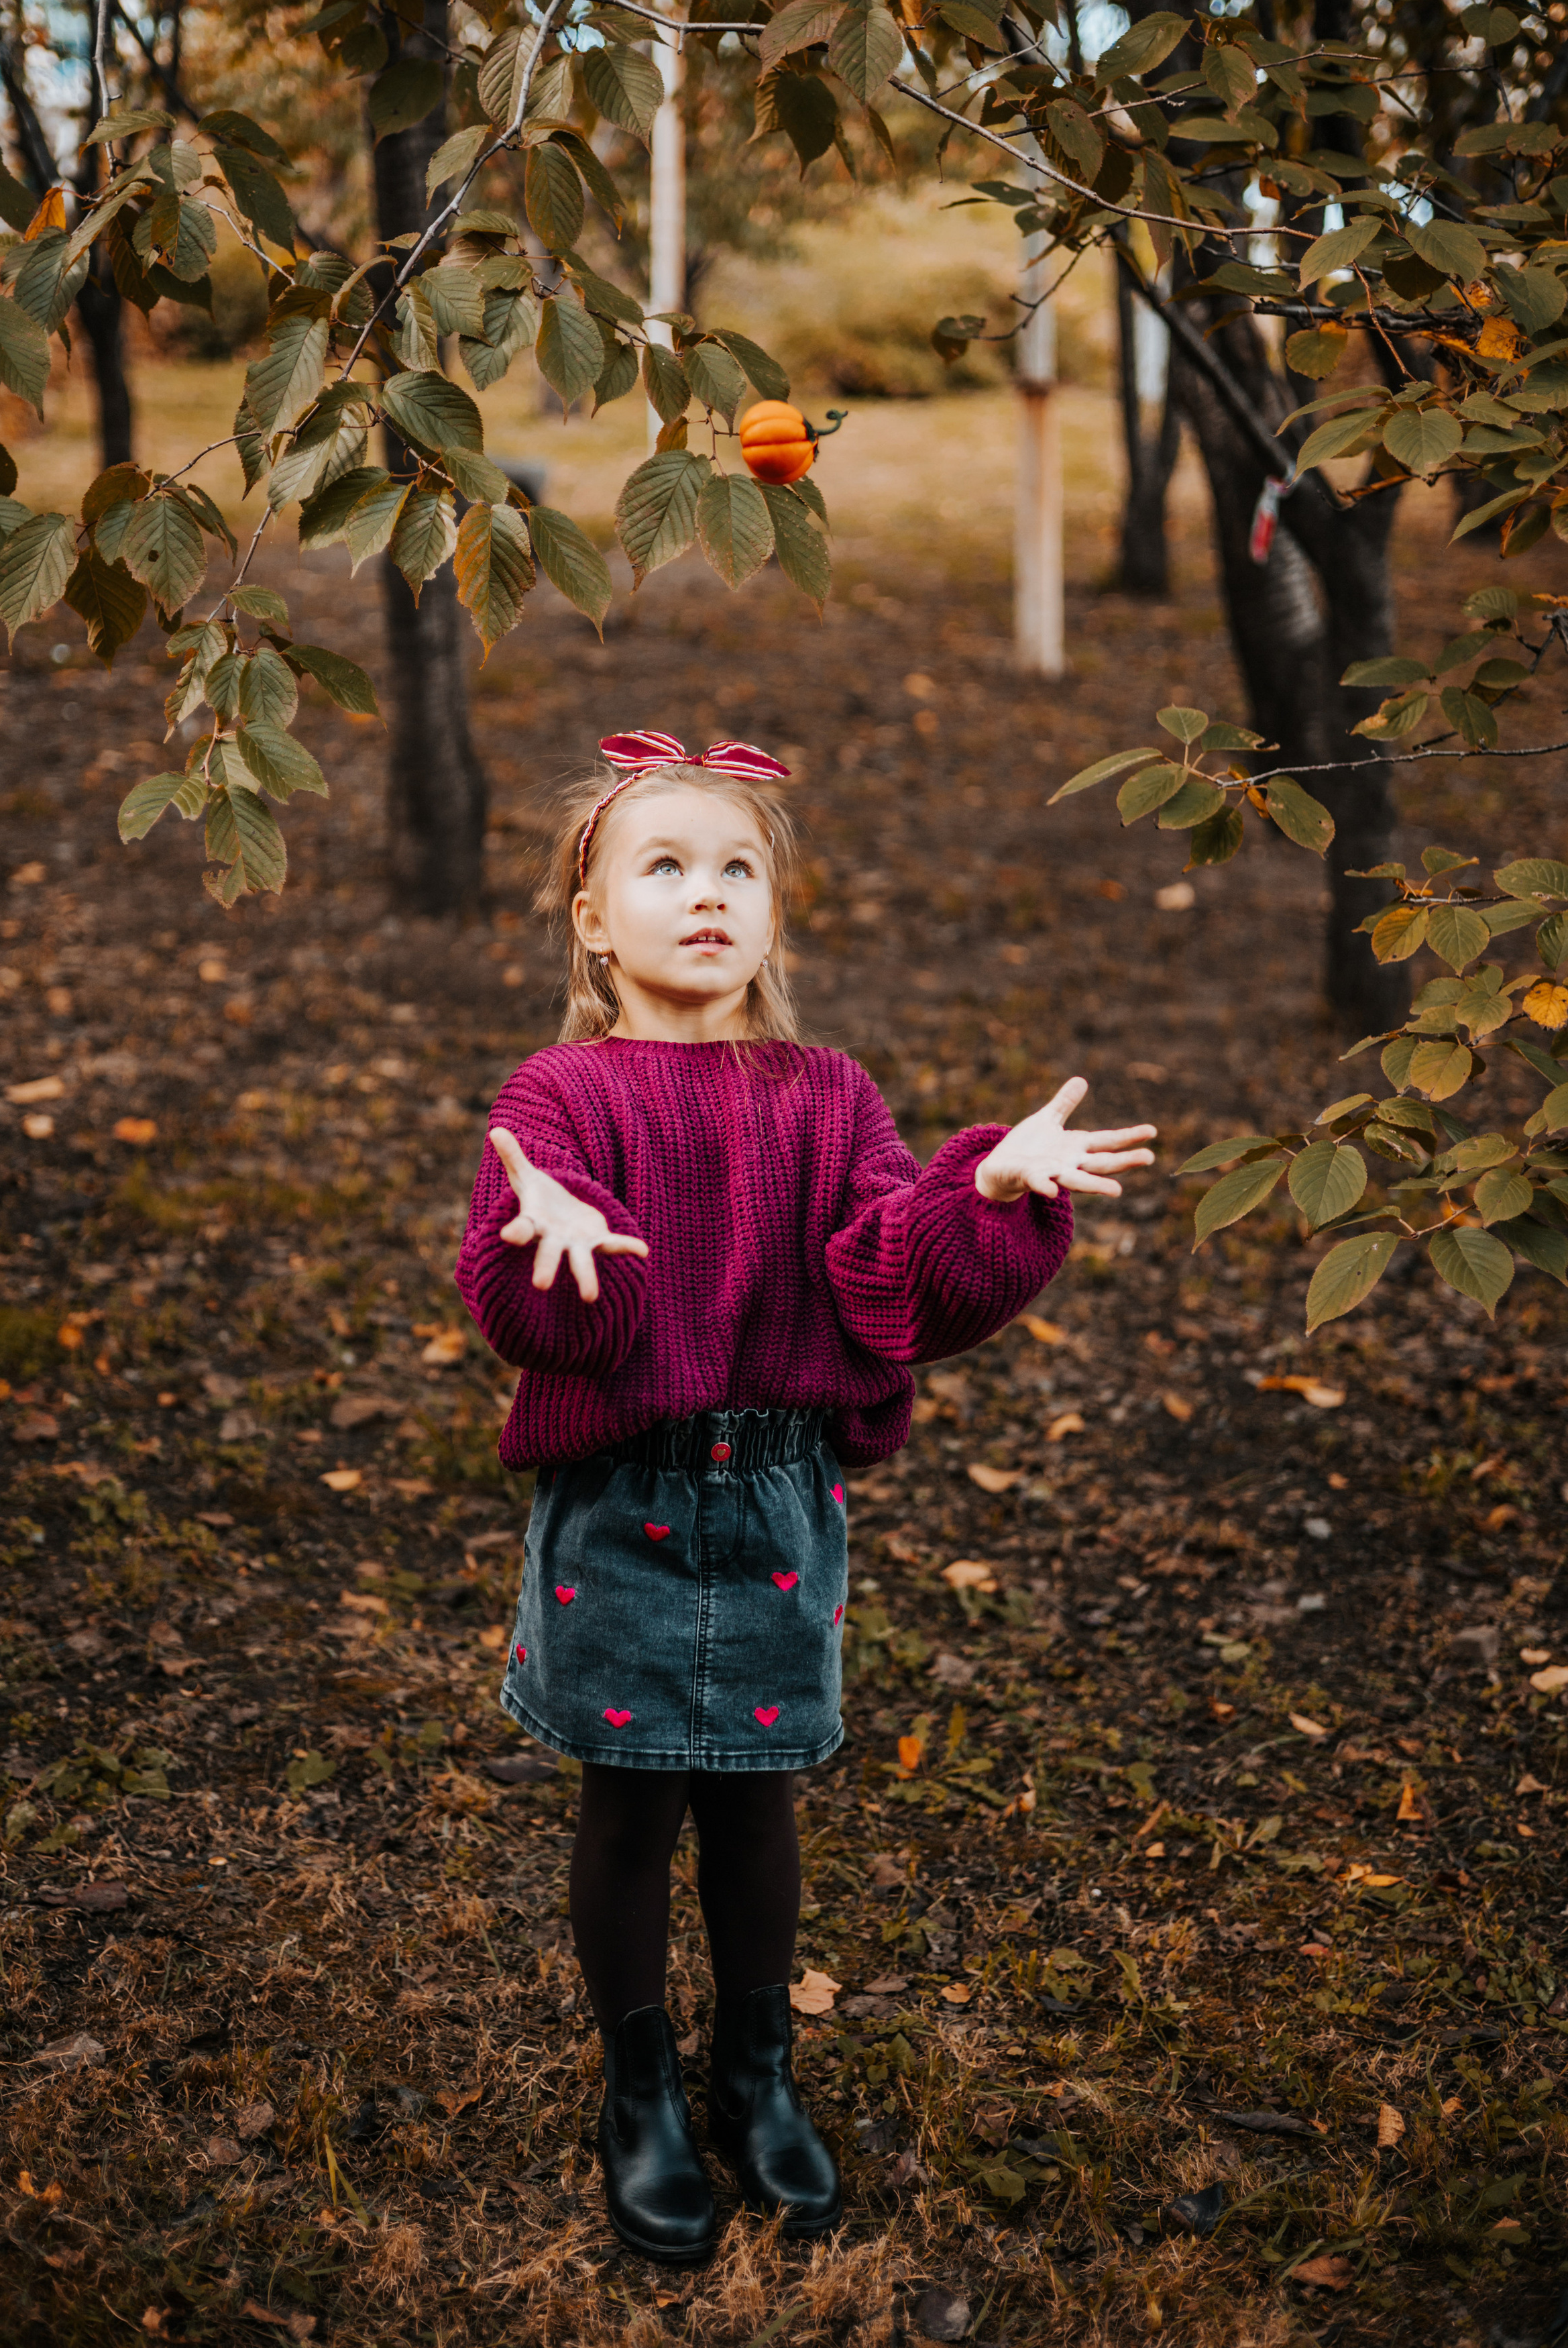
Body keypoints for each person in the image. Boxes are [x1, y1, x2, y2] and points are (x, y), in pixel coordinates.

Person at [455, 729, 1155, 2264]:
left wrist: (980, 1195)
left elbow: (886, 1272)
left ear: (772, 915)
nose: (705, 894)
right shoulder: (560, 1095)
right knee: (632, 1801)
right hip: (623, 1503)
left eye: (737, 869)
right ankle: (640, 2090)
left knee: (754, 1795)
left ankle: (754, 2072)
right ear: (590, 918)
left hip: (776, 1500)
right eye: (663, 866)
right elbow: (538, 1300)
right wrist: (545, 1248)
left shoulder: (827, 1097)